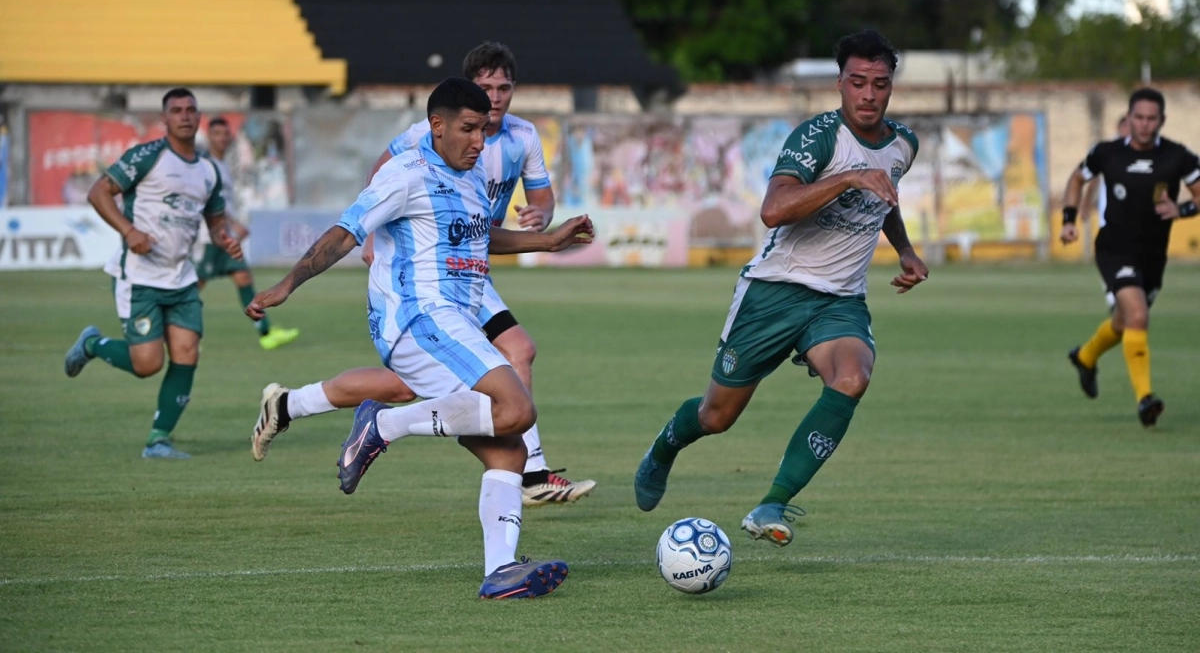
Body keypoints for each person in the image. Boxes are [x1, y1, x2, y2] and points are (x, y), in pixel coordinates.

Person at [245, 77, 593, 599]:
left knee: (509, 451)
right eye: (470, 129)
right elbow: (346, 231)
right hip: (418, 315)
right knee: (517, 409)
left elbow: (479, 233)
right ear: (437, 125)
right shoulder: (405, 174)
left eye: (485, 130)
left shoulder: (470, 177)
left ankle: (499, 572)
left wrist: (546, 239)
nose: (480, 141)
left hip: (454, 318)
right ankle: (384, 423)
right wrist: (287, 283)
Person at [633, 30, 928, 547]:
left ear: (891, 88)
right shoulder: (818, 138)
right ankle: (664, 448)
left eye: (880, 84)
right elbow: (773, 209)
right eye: (857, 82)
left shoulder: (904, 144)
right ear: (839, 83)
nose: (868, 95)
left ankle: (773, 500)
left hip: (839, 300)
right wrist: (850, 177)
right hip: (774, 292)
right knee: (717, 416)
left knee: (854, 376)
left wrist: (903, 248)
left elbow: (884, 196)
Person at [63, 88, 243, 459]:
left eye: (191, 110)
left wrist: (224, 240)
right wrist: (129, 231)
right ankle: (93, 344)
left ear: (199, 117)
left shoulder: (208, 171)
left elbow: (214, 218)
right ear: (164, 119)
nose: (185, 116)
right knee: (148, 364)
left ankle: (158, 440)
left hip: (181, 278)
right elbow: (99, 192)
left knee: (187, 354)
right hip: (140, 276)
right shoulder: (148, 156)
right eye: (176, 110)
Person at [1061, 87, 1200, 426]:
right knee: (1137, 315)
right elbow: (1077, 179)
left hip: (1153, 256)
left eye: (1152, 118)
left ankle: (1086, 356)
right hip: (1114, 249)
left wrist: (1180, 209)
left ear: (1162, 121)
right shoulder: (1107, 153)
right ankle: (1145, 400)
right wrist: (1069, 219)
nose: (1144, 124)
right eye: (1139, 117)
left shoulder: (1178, 157)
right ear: (1129, 118)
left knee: (1126, 323)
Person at [196, 116, 299, 350]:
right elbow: (207, 201)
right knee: (193, 286)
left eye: (225, 134)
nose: (222, 138)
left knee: (244, 278)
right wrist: (232, 223)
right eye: (217, 134)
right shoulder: (207, 166)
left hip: (226, 236)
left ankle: (265, 333)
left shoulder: (223, 165)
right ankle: (175, 329)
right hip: (211, 236)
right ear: (209, 137)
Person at [1079, 115, 1131, 225]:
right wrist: (1086, 203)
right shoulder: (1107, 151)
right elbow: (1094, 178)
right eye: (1125, 126)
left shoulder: (1143, 151)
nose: (1127, 130)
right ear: (1119, 127)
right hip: (1109, 212)